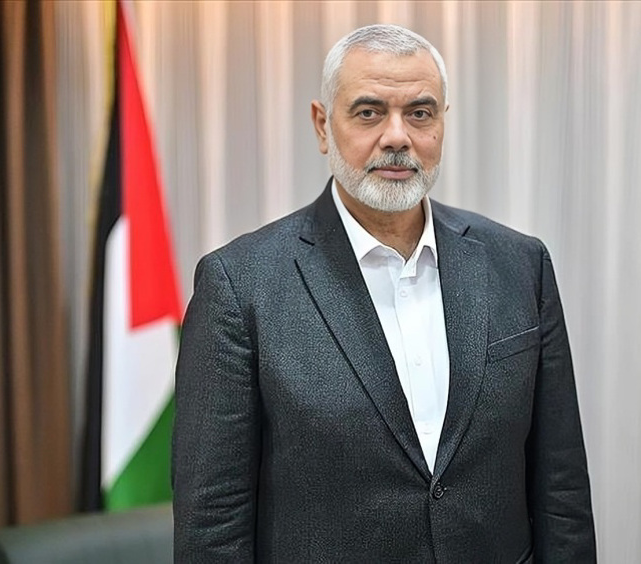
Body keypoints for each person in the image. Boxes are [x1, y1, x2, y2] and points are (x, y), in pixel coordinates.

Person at [172, 24, 596, 563]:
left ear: (443, 123)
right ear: (323, 126)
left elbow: (562, 492)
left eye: (420, 113)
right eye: (369, 112)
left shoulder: (520, 265)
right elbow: (213, 524)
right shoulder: (240, 285)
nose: (397, 137)